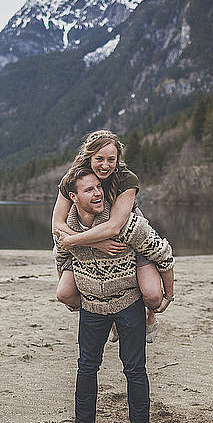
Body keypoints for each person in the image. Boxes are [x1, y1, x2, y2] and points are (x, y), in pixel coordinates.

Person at [54, 166, 175, 423]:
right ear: (73, 196)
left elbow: (163, 253)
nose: (97, 193)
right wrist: (73, 287)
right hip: (93, 308)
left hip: (127, 304)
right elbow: (61, 257)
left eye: (99, 187)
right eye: (88, 189)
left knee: (134, 370)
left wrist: (167, 295)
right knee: (86, 367)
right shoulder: (67, 229)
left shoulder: (125, 223)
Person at [52, 130, 163, 343]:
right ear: (89, 157)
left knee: (152, 296)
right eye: (99, 159)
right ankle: (110, 316)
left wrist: (76, 241)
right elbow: (57, 223)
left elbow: (113, 227)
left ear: (118, 159)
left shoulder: (126, 178)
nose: (105, 165)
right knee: (64, 293)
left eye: (111, 159)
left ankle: (149, 317)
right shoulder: (75, 179)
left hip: (126, 237)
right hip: (86, 235)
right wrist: (97, 244)